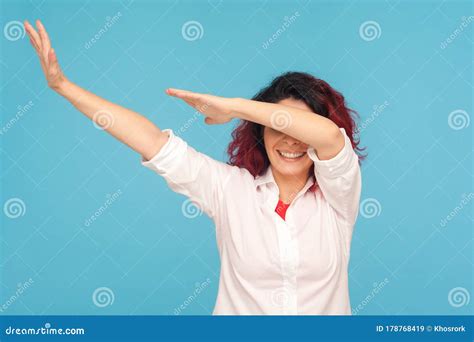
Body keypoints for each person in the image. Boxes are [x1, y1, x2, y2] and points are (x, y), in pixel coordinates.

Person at [24, 19, 364, 315]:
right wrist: (63, 86)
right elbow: (151, 141)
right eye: (279, 127)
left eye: (299, 128)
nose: (290, 141)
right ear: (261, 132)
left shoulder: (339, 194)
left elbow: (329, 136)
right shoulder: (230, 190)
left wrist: (233, 107)